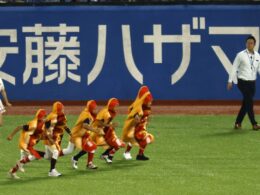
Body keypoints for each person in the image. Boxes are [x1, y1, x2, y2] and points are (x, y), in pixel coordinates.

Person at [227, 35, 260, 130]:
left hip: (252, 83)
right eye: (248, 43)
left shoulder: (258, 56)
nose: (249, 44)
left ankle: (238, 123)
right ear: (246, 44)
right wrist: (230, 81)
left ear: (254, 44)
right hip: (242, 82)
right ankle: (254, 124)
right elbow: (234, 68)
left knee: (246, 104)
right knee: (249, 102)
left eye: (251, 43)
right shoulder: (240, 55)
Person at [61, 100, 104, 169]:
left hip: (82, 135)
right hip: (77, 135)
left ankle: (86, 162)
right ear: (91, 108)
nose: (96, 109)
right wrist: (96, 130)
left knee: (90, 147)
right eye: (94, 108)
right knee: (71, 150)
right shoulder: (87, 115)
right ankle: (55, 155)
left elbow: (93, 122)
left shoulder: (88, 112)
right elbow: (85, 125)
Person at [7, 109, 47, 179]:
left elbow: (39, 136)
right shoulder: (33, 125)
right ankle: (17, 166)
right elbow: (19, 127)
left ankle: (12, 172)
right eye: (44, 117)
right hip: (25, 145)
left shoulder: (40, 125)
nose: (45, 118)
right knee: (33, 156)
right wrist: (11, 135)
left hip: (29, 145)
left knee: (24, 162)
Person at [122, 86, 154, 160]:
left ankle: (140, 154)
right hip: (135, 127)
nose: (151, 103)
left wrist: (146, 121)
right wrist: (136, 119)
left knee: (144, 139)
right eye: (149, 101)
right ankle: (128, 153)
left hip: (142, 127)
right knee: (141, 138)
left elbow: (146, 116)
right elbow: (132, 115)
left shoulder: (147, 107)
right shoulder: (137, 107)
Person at [92, 98, 125, 163]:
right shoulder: (106, 112)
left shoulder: (111, 112)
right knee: (117, 145)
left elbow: (106, 123)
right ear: (112, 105)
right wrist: (110, 125)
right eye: (115, 105)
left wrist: (110, 125)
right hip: (101, 132)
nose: (116, 107)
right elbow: (99, 123)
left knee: (120, 144)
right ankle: (109, 157)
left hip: (108, 130)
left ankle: (105, 155)